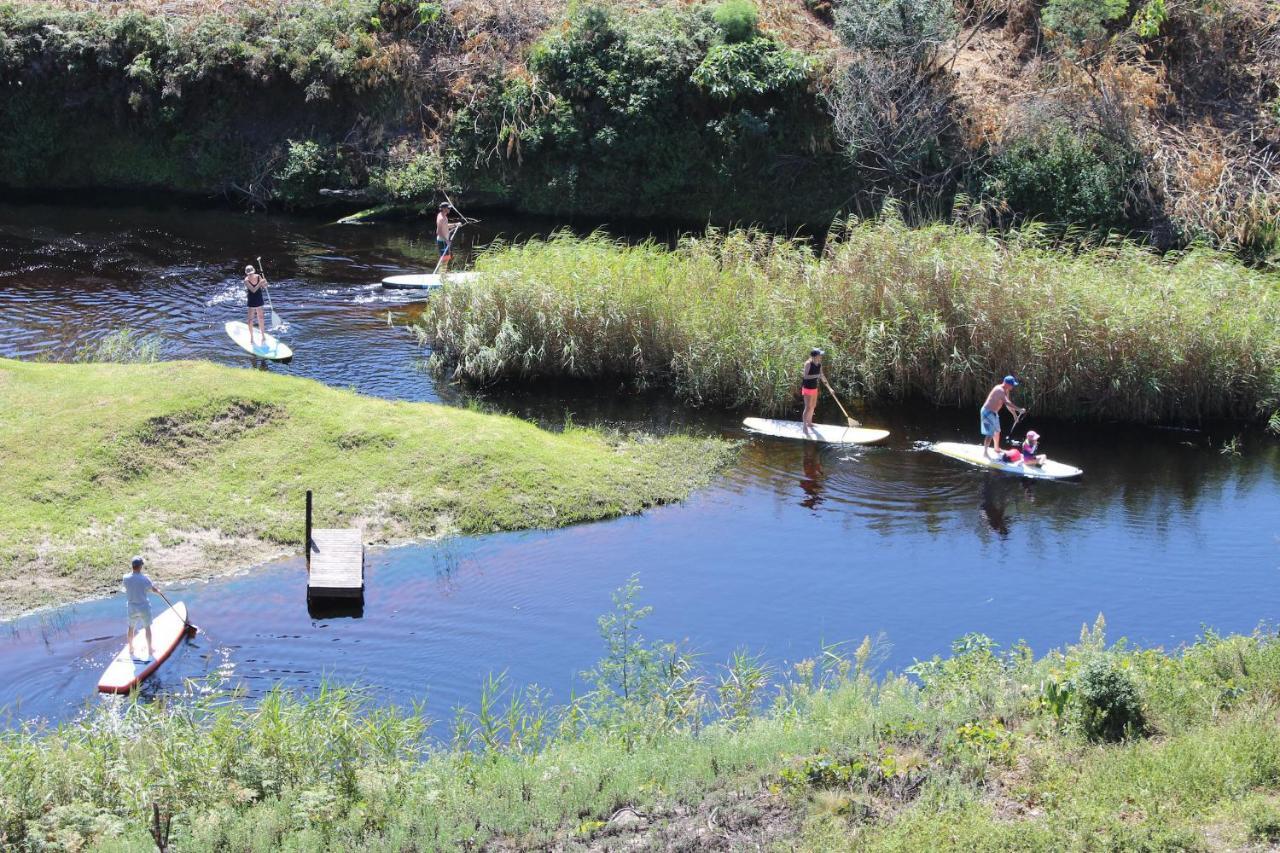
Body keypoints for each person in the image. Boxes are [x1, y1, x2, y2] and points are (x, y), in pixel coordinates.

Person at [123, 555, 161, 661]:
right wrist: (158, 591)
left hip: (131, 607)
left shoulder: (125, 578)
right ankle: (150, 650)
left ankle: (130, 648)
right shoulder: (145, 579)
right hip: (143, 607)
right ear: (140, 566)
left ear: (132, 566)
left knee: (131, 627)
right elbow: (152, 589)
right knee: (147, 628)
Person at [980, 374, 1026, 457]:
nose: (1013, 386)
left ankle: (996, 448)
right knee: (990, 433)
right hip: (987, 412)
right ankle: (985, 452)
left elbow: (1008, 404)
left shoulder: (1006, 390)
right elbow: (1007, 402)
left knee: (997, 431)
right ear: (1007, 384)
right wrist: (1019, 409)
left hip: (994, 413)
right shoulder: (999, 390)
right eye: (1012, 384)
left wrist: (1014, 415)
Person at [243, 264, 268, 345]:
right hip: (251, 300)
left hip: (259, 299)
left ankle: (263, 336)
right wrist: (260, 283)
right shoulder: (246, 280)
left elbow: (264, 287)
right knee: (250, 320)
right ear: (247, 273)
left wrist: (265, 283)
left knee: (261, 318)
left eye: (252, 273)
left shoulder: (258, 276)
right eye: (249, 273)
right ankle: (251, 338)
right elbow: (253, 290)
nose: (251, 274)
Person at [801, 348, 824, 429]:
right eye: (819, 355)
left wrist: (830, 388)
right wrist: (817, 376)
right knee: (808, 407)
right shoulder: (808, 363)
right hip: (807, 387)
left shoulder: (819, 364)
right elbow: (805, 376)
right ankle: (804, 426)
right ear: (815, 356)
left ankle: (809, 423)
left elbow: (822, 375)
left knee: (813, 405)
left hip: (814, 387)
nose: (821, 356)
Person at [436, 202, 455, 271]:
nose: (449, 209)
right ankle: (442, 275)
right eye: (448, 208)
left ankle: (443, 273)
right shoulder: (441, 218)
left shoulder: (443, 216)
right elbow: (438, 232)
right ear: (444, 209)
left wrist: (455, 225)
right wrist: (446, 241)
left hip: (444, 241)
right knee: (445, 258)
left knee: (446, 258)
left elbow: (445, 226)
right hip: (443, 241)